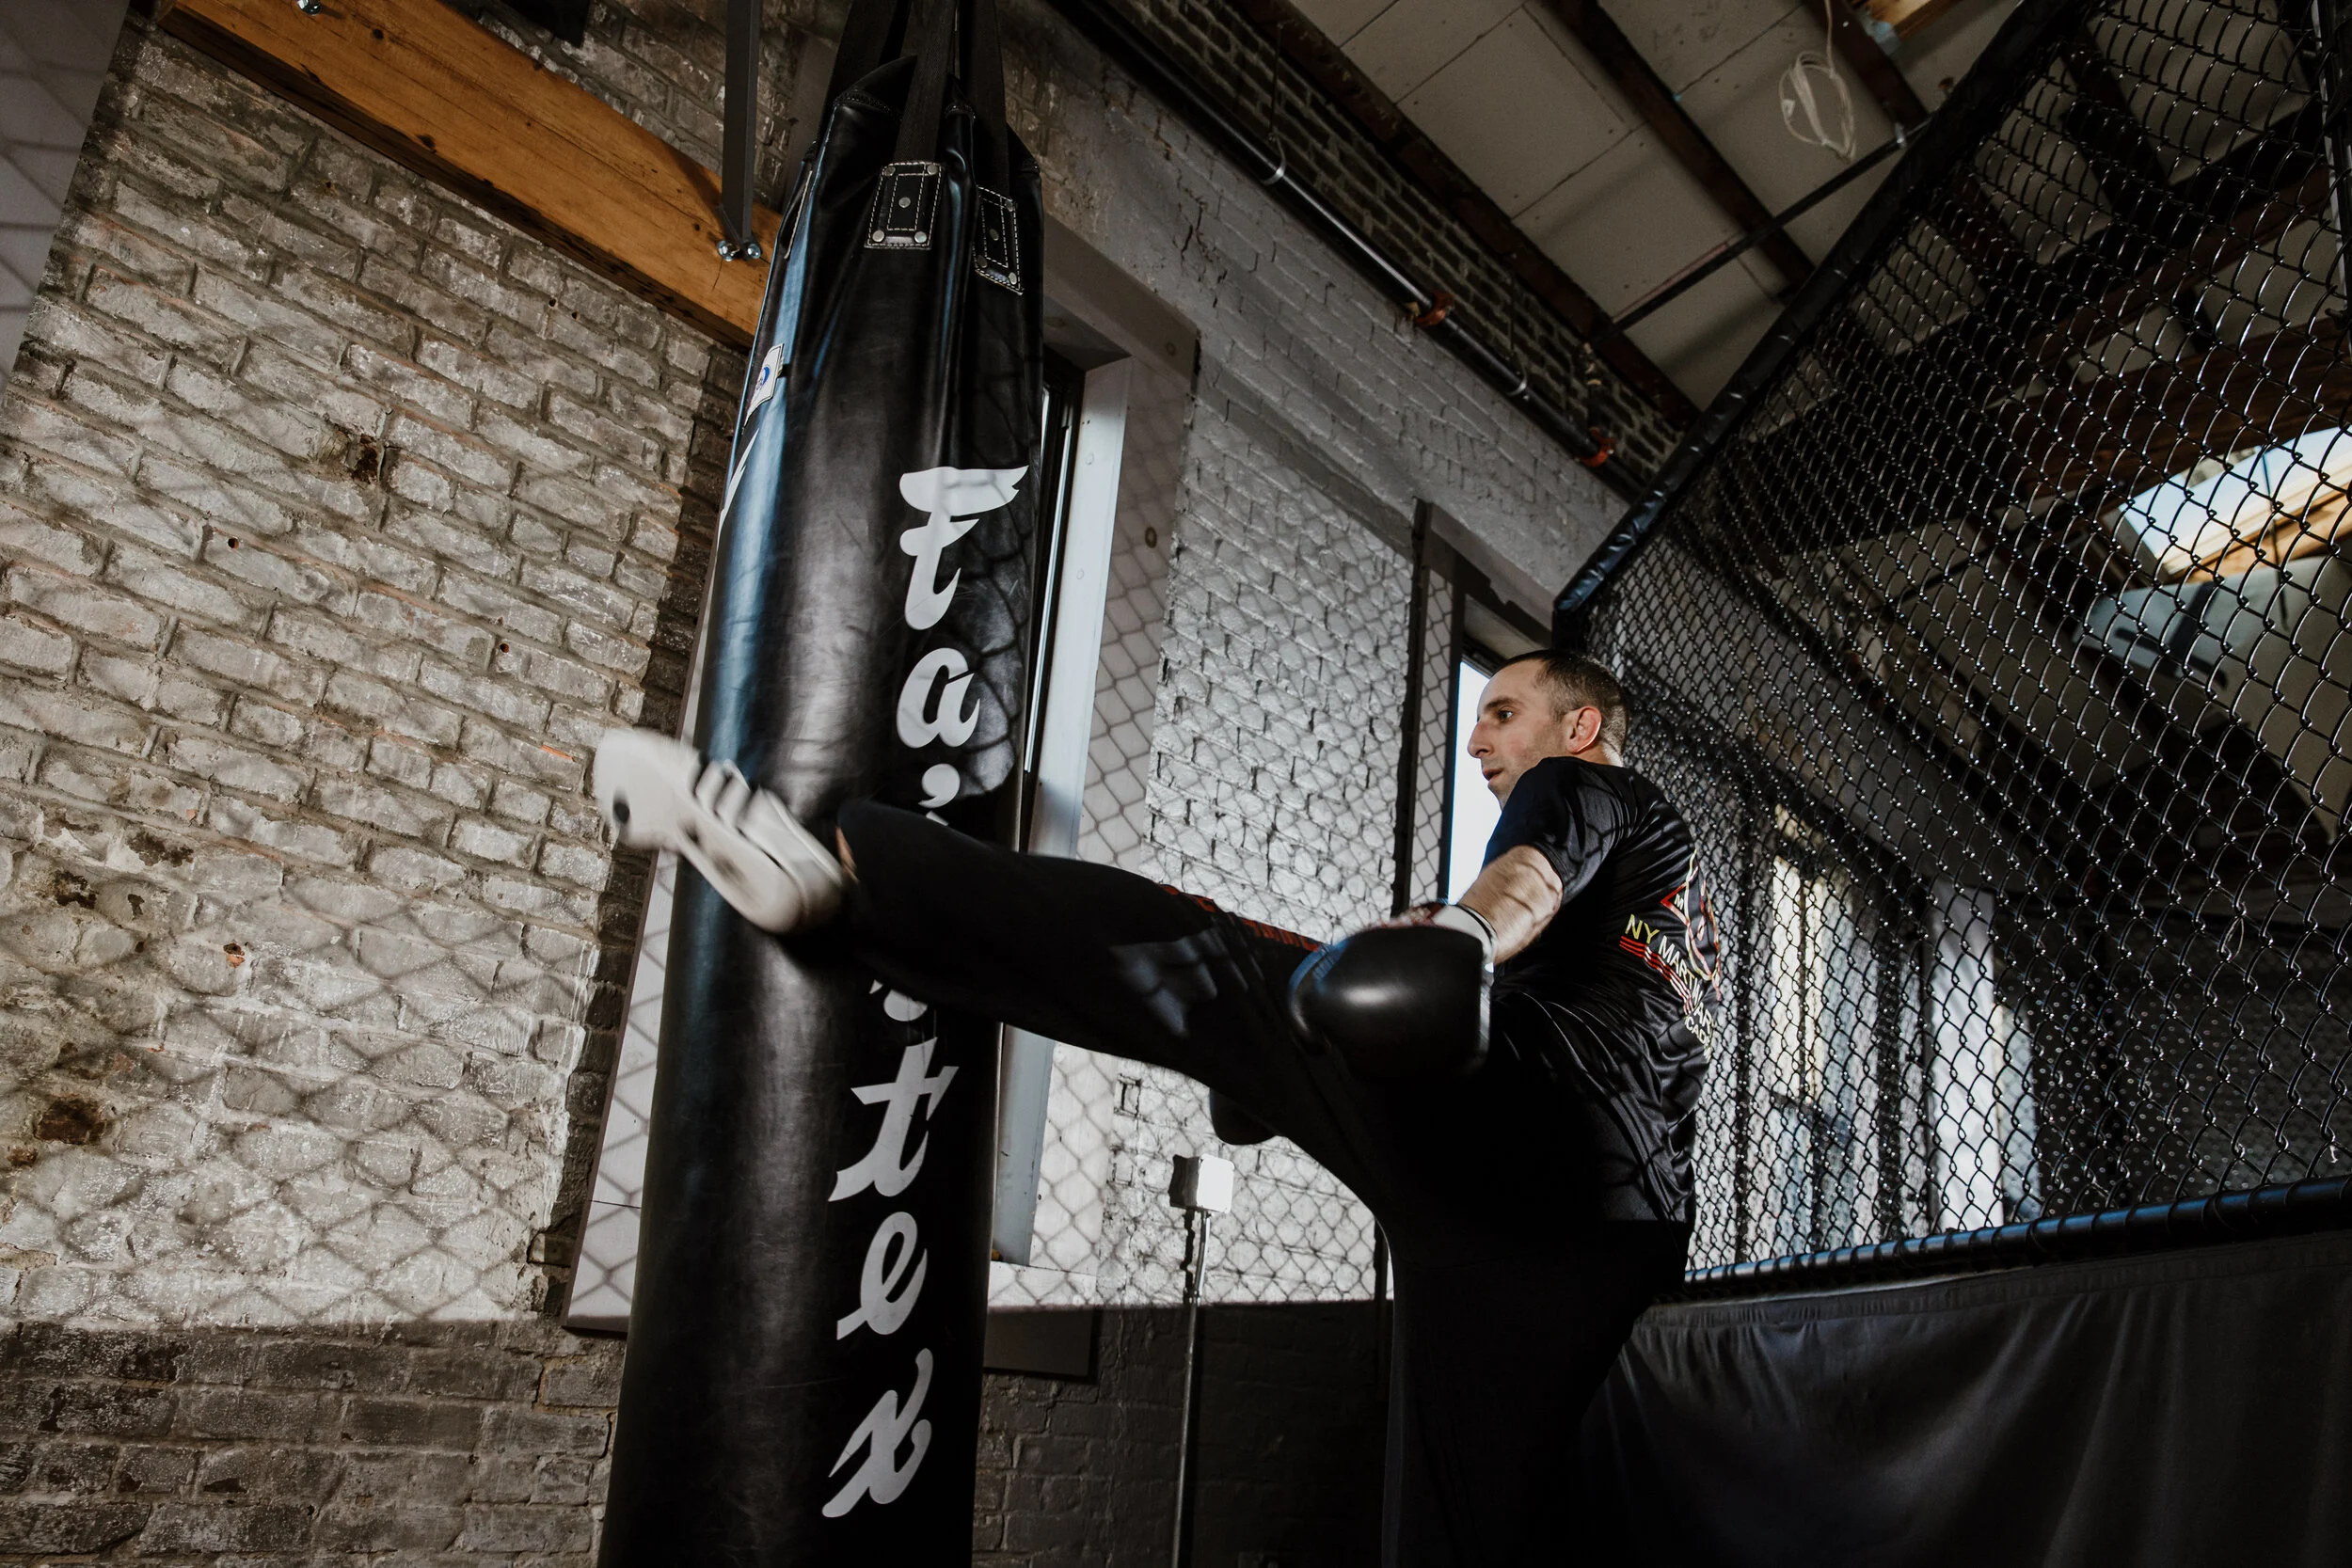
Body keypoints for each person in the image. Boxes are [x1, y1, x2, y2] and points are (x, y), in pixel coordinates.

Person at [594, 649, 1715, 1567]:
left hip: (1532, 1122)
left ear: (1577, 728)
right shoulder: (1678, 898)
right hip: (1616, 1230)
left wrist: (1459, 939)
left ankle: (851, 877)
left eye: (1505, 713)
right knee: (1475, 1517)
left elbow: (1524, 880)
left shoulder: (1587, 785)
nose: (1480, 741)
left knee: (1213, 957)